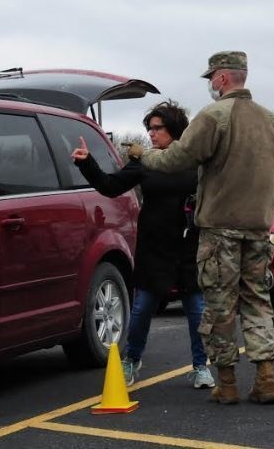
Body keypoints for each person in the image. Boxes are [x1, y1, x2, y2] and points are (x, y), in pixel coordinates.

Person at [128, 51, 274, 406]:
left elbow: (174, 159)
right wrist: (263, 213)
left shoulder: (214, 116)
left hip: (219, 232)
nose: (211, 84)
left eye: (211, 78)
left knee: (218, 307)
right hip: (258, 229)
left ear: (221, 78)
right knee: (258, 303)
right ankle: (265, 378)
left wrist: (142, 154)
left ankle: (227, 383)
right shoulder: (273, 122)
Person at [71, 101, 211, 389]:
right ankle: (131, 361)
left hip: (187, 247)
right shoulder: (144, 163)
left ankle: (201, 367)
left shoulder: (194, 163)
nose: (151, 133)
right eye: (149, 128)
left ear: (174, 129)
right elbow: (109, 186)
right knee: (142, 308)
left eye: (157, 128)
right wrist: (87, 162)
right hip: (153, 248)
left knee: (196, 309)